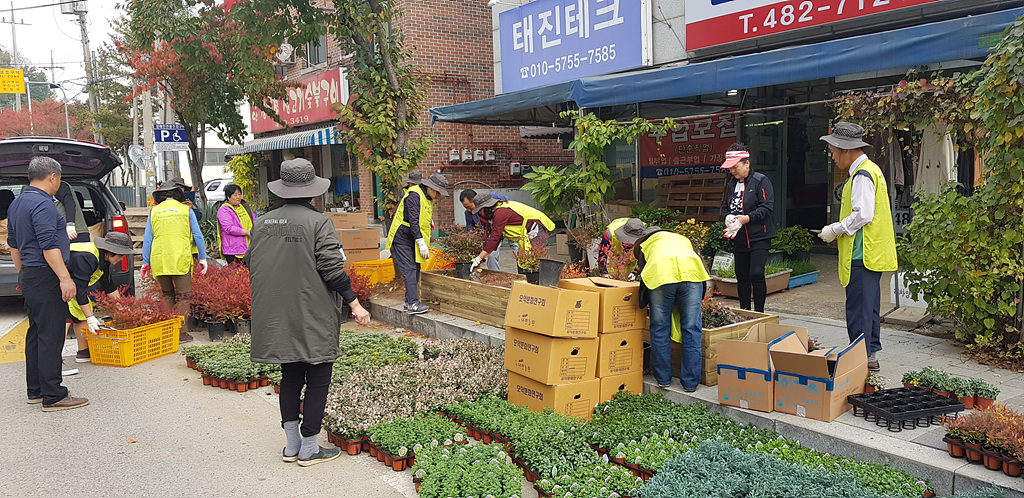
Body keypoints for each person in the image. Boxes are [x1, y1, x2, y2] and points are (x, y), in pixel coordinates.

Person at [247, 157, 371, 467]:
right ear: (312, 192)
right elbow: (331, 268)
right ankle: (309, 447)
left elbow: (250, 261)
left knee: (290, 375)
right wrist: (355, 304)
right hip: (312, 310)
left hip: (276, 311)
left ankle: (291, 446)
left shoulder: (263, 222)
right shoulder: (318, 222)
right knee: (318, 377)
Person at [6, 156, 88, 411]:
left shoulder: (17, 204)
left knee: (36, 333)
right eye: (59, 179)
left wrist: (24, 273)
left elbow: (13, 245)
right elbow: (48, 245)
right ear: (53, 176)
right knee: (52, 336)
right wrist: (64, 278)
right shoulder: (43, 206)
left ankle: (36, 390)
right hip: (46, 275)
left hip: (31, 274)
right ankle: (54, 395)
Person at [818, 122, 897, 373]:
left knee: (859, 309)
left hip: (861, 253)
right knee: (869, 307)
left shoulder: (862, 175)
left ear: (845, 149)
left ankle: (859, 359)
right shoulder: (871, 170)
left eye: (833, 151)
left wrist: (835, 229)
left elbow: (863, 215)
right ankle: (870, 355)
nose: (832, 157)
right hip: (873, 252)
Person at [632, 225, 709, 392]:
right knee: (692, 328)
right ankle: (690, 383)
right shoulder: (682, 239)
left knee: (660, 328)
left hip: (661, 277)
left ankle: (663, 379)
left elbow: (643, 272)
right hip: (692, 276)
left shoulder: (646, 245)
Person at [141, 180, 208, 343]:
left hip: (160, 260)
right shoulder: (186, 210)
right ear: (177, 194)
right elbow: (198, 236)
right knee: (184, 296)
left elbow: (148, 239)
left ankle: (168, 331)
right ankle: (182, 333)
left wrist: (145, 261)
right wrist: (203, 257)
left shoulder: (154, 211)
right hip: (180, 259)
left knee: (167, 295)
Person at [720, 143, 776, 313]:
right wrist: (728, 217)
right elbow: (724, 208)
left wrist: (746, 218)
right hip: (739, 237)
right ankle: (745, 310)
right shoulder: (731, 184)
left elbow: (767, 207)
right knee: (742, 275)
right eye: (730, 168)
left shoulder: (761, 180)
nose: (733, 171)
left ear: (747, 163)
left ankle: (759, 312)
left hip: (759, 235)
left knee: (756, 274)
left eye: (735, 167)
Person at [384, 173, 451, 314]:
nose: (438, 196)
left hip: (412, 236)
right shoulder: (414, 195)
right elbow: (413, 221)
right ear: (431, 188)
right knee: (409, 269)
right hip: (402, 236)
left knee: (416, 268)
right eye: (438, 193)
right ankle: (413, 303)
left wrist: (429, 221)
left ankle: (409, 302)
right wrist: (421, 242)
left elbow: (421, 216)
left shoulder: (427, 197)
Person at [66, 232, 136, 364]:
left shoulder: (102, 259)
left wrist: (122, 306)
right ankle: (53, 362)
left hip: (72, 285)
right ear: (111, 251)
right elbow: (81, 291)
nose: (121, 259)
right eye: (121, 255)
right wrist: (90, 317)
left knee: (80, 315)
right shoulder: (87, 257)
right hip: (54, 283)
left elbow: (108, 285)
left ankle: (83, 352)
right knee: (63, 319)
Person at [469, 194, 555, 273]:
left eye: (480, 211)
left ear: (486, 208)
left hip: (536, 229)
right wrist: (485, 254)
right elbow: (496, 238)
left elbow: (495, 238)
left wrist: (478, 258)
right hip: (525, 234)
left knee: (533, 263)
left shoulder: (500, 213)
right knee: (523, 262)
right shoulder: (498, 210)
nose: (480, 214)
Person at [459, 189, 512, 271]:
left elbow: (512, 207)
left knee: (518, 251)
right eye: (466, 208)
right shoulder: (468, 213)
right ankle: (494, 277)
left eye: (469, 207)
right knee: (491, 255)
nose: (469, 210)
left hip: (509, 226)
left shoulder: (495, 197)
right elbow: (470, 231)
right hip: (491, 233)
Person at [217, 184, 255, 266]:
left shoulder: (245, 207)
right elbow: (229, 228)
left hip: (248, 248)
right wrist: (247, 232)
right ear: (228, 197)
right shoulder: (224, 210)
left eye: (239, 194)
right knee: (236, 275)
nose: (238, 197)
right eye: (235, 195)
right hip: (233, 250)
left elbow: (254, 220)